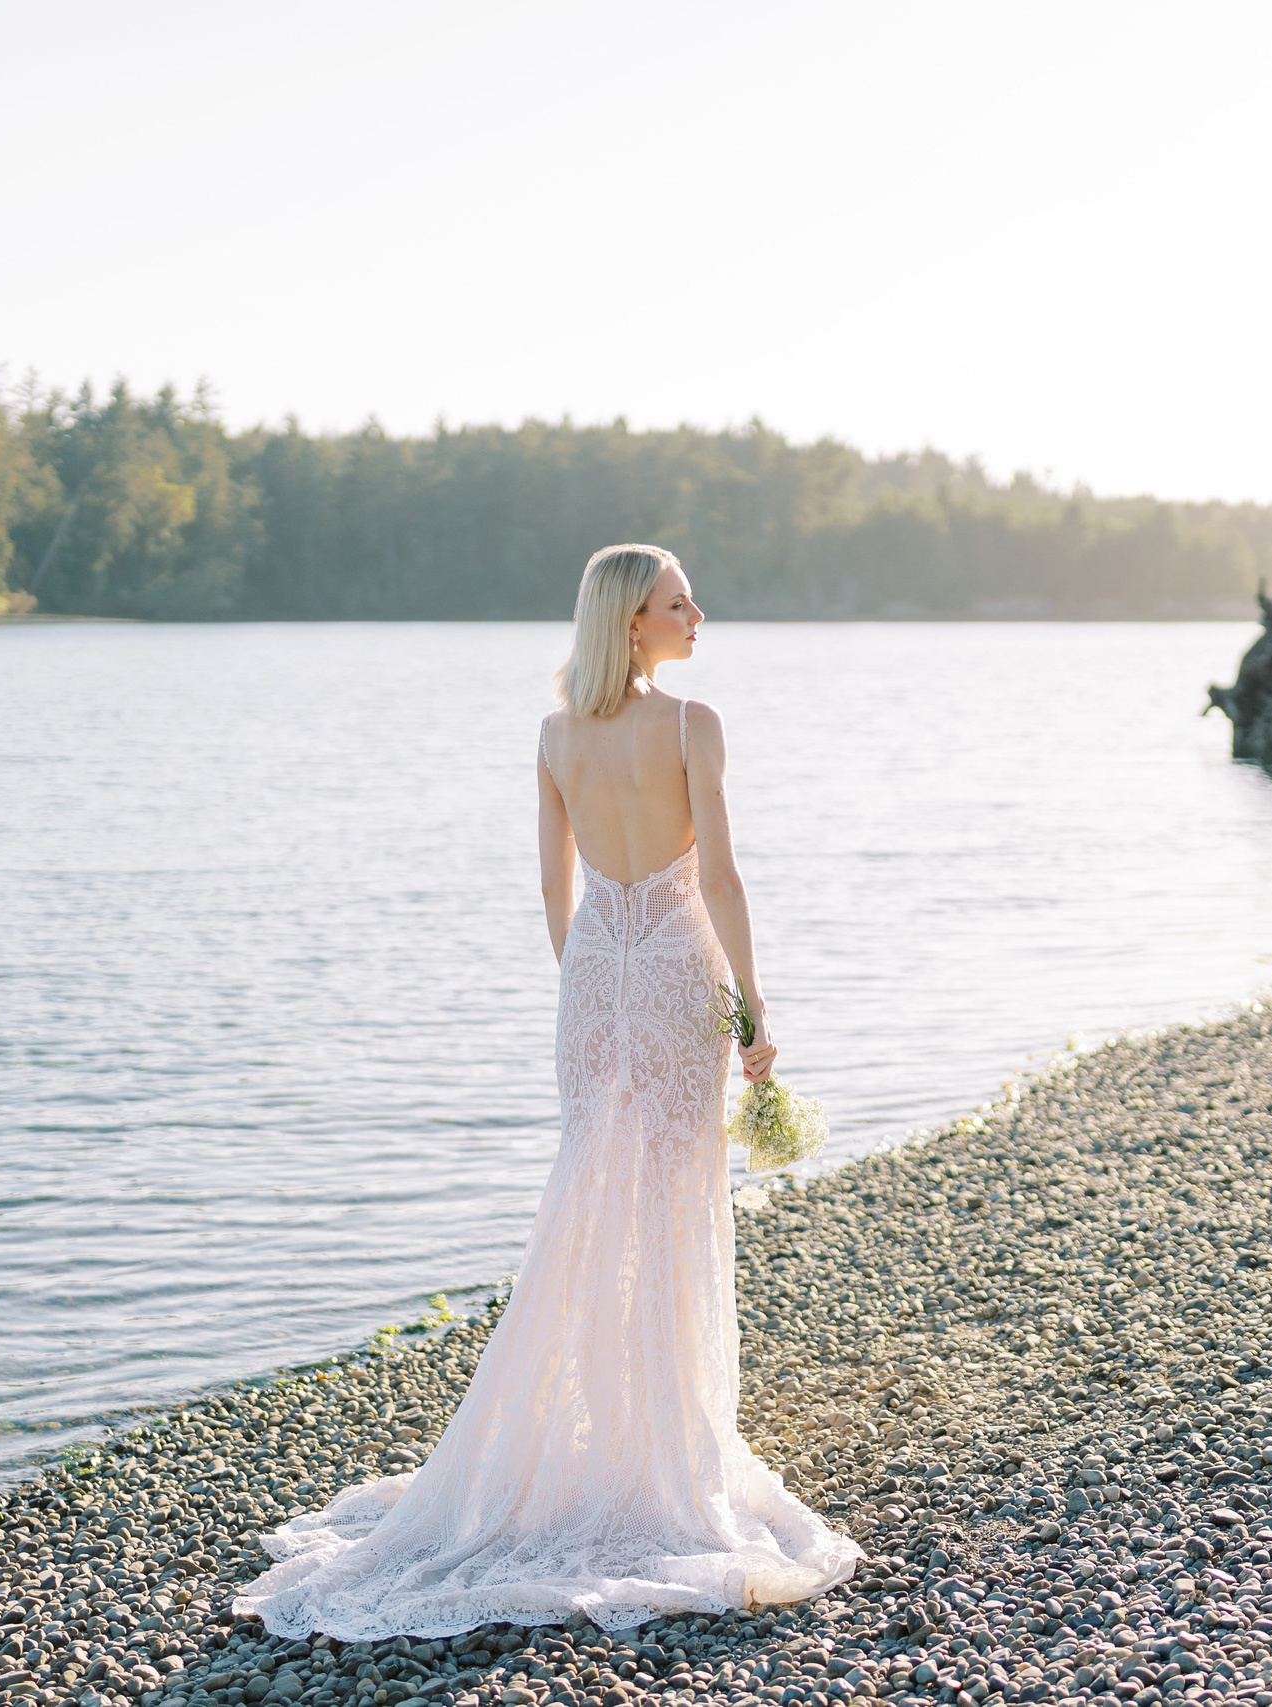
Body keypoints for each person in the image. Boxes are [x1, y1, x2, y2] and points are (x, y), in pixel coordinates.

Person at [234, 544, 862, 1640]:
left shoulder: (554, 735)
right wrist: (754, 1003)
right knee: (669, 1199)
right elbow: (716, 877)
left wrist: (594, 978)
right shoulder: (689, 725)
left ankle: (589, 1435)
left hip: (594, 978)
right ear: (630, 622)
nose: (697, 614)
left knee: (591, 1193)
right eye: (678, 603)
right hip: (675, 967)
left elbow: (550, 884)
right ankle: (661, 1447)